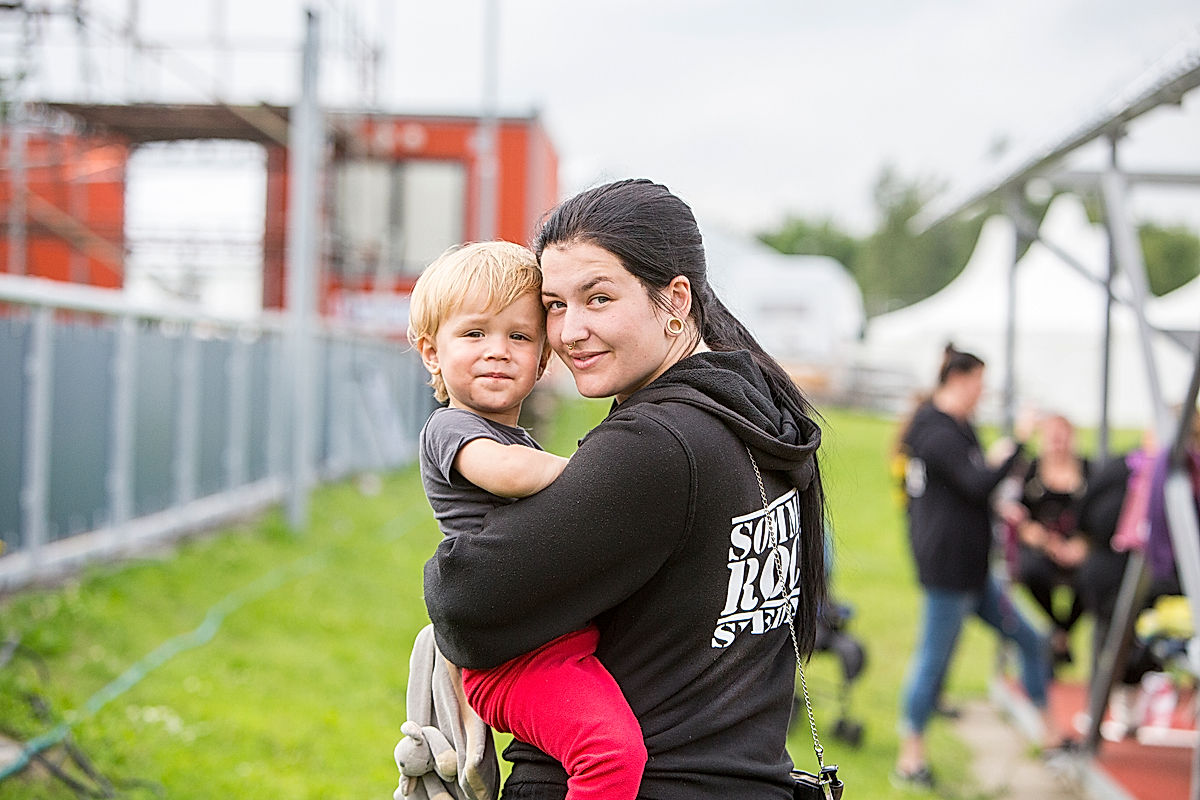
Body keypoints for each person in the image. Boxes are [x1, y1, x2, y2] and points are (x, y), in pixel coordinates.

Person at [421, 178, 827, 800]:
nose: (572, 330)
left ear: (675, 299)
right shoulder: (756, 417)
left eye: (599, 298)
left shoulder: (656, 446)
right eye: (555, 305)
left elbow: (465, 601)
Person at [407, 240, 646, 799]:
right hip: (517, 658)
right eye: (474, 334)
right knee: (610, 755)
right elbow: (510, 473)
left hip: (554, 641)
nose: (498, 351)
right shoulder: (451, 430)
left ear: (542, 360)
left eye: (518, 337)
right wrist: (605, 472)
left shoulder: (519, 437)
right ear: (431, 352)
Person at [893, 344, 1064, 790]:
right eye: (980, 385)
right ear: (960, 380)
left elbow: (969, 488)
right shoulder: (936, 432)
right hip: (948, 568)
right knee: (933, 662)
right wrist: (1018, 446)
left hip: (973, 567)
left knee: (1030, 638)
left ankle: (1048, 734)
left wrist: (1000, 507)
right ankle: (910, 759)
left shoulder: (957, 427)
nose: (983, 394)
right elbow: (974, 482)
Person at [996, 414, 1091, 669]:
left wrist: (1083, 544)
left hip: (1077, 547)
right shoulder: (1030, 471)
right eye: (1053, 436)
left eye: (1063, 436)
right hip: (1040, 547)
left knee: (1094, 576)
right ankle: (1058, 631)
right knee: (1030, 571)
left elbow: (1099, 514)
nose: (1058, 442)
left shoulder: (1088, 470)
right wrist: (1036, 536)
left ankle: (1061, 632)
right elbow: (1013, 510)